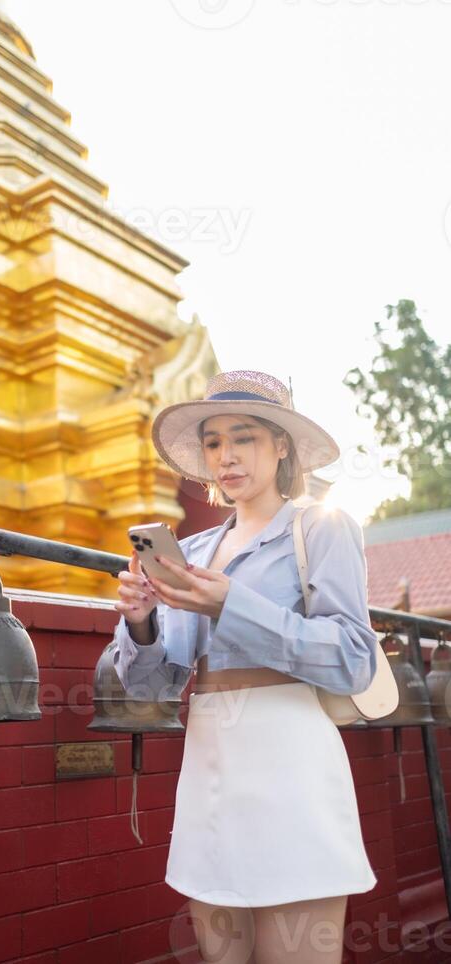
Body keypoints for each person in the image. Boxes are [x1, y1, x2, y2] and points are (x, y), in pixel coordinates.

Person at [113, 370, 378, 964]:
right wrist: (141, 623)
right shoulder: (197, 552)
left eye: (245, 437)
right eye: (213, 442)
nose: (226, 456)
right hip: (208, 763)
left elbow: (354, 659)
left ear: (281, 445)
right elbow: (151, 689)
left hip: (291, 758)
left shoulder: (321, 526)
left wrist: (230, 604)